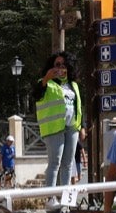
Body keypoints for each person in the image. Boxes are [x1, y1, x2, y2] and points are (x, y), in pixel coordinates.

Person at [35, 51, 83, 188]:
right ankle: (50, 198)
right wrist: (46, 79)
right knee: (54, 163)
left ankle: (65, 201)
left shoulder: (73, 85)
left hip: (72, 127)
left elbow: (79, 105)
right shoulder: (46, 83)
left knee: (68, 164)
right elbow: (36, 95)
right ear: (51, 66)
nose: (60, 68)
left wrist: (82, 126)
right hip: (54, 128)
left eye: (64, 65)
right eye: (57, 64)